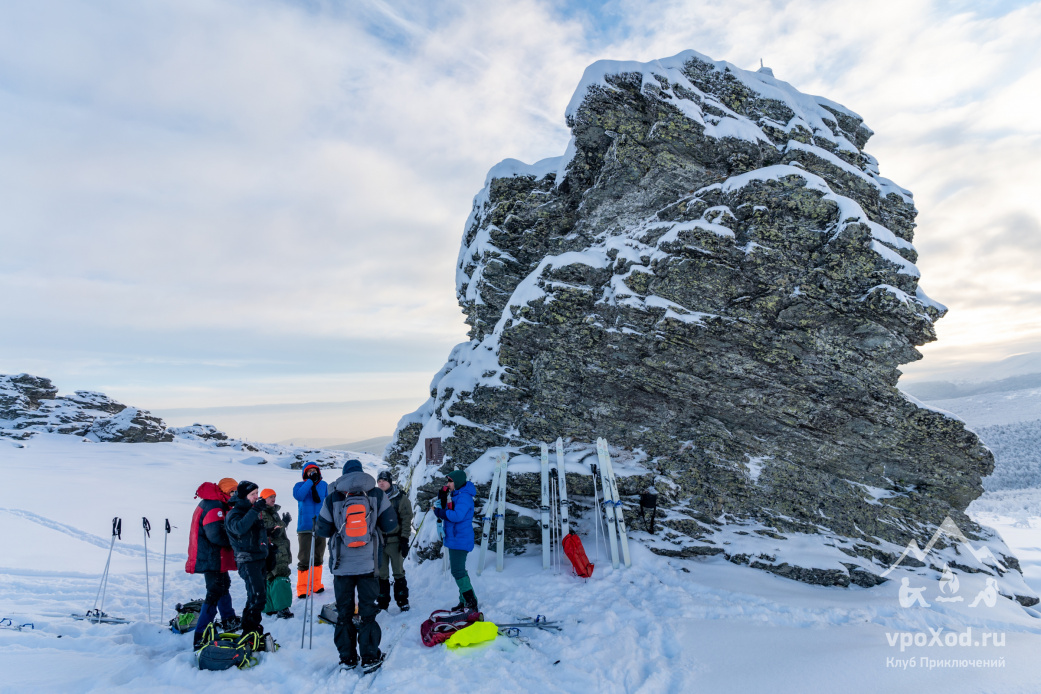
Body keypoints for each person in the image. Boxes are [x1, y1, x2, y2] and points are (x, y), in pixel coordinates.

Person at [315, 459, 398, 672]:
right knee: (367, 611)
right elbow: (390, 524)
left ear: (343, 474)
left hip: (342, 565)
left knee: (344, 612)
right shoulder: (376, 494)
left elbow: (322, 530)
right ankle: (370, 657)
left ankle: (347, 658)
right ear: (361, 473)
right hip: (369, 563)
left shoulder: (333, 496)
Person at [185, 477, 240, 647]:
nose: (234, 494)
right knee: (214, 591)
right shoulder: (214, 506)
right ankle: (201, 632)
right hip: (210, 555)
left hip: (214, 555)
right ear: (224, 491)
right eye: (232, 491)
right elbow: (215, 535)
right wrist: (235, 540)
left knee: (223, 584)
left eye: (236, 491)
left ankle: (228, 618)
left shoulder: (216, 503)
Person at [225, 480, 271, 640]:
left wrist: (268, 545)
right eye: (253, 494)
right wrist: (255, 510)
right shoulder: (234, 513)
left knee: (258, 597)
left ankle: (252, 628)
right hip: (246, 560)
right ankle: (249, 631)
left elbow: (256, 533)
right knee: (256, 596)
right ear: (244, 496)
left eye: (257, 494)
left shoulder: (251, 511)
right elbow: (239, 528)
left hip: (258, 558)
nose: (256, 497)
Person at [432, 469, 479, 613]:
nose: (448, 484)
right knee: (460, 571)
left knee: (458, 571)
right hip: (455, 538)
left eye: (450, 482)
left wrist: (440, 512)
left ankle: (471, 603)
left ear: (457, 482)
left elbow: (457, 516)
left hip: (460, 539)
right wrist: (443, 499)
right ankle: (464, 601)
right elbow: (451, 510)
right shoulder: (456, 495)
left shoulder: (464, 497)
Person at [376, 469, 413, 612]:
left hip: (395, 542)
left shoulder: (400, 498)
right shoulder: (376, 498)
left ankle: (402, 600)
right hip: (380, 543)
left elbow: (406, 519)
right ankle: (382, 602)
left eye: (383, 480)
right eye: (379, 481)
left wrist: (404, 539)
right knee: (382, 574)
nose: (381, 483)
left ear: (390, 482)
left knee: (398, 572)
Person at [293, 463, 328, 598]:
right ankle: (303, 588)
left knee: (318, 556)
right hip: (305, 527)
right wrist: (309, 482)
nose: (312, 473)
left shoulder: (324, 485)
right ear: (304, 473)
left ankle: (316, 584)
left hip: (320, 526)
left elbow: (327, 503)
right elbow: (300, 496)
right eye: (309, 471)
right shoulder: (299, 486)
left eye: (314, 471)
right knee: (304, 558)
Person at [258, 488, 294, 619]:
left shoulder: (269, 511)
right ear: (263, 499)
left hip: (273, 550)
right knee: (280, 576)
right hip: (276, 551)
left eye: (274, 496)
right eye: (270, 497)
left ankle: (270, 607)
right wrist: (284, 523)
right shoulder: (264, 512)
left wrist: (283, 523)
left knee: (270, 577)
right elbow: (274, 531)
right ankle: (282, 608)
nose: (273, 499)